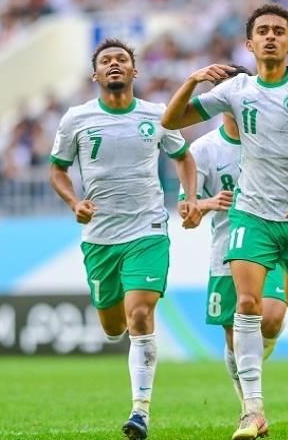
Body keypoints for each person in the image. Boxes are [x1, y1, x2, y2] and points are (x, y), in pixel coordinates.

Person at [162, 3, 288, 440]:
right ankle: (252, 411)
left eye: (278, 31)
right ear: (249, 44)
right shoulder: (237, 90)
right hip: (250, 214)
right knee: (247, 305)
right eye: (262, 31)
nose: (270, 36)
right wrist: (193, 79)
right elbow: (171, 120)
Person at [49, 38, 202, 440]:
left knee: (140, 315)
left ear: (135, 71)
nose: (114, 64)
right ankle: (124, 346)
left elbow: (183, 157)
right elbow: (57, 169)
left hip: (147, 231)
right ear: (95, 74)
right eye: (106, 60)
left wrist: (189, 197)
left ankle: (140, 411)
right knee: (114, 326)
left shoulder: (157, 115)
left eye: (122, 59)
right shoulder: (77, 119)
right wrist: (74, 202)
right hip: (100, 238)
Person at [179, 72, 288, 411]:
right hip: (227, 245)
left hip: (276, 233)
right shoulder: (204, 150)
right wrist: (207, 204)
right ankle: (250, 410)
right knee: (234, 341)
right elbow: (188, 209)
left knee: (271, 318)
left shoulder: (268, 133)